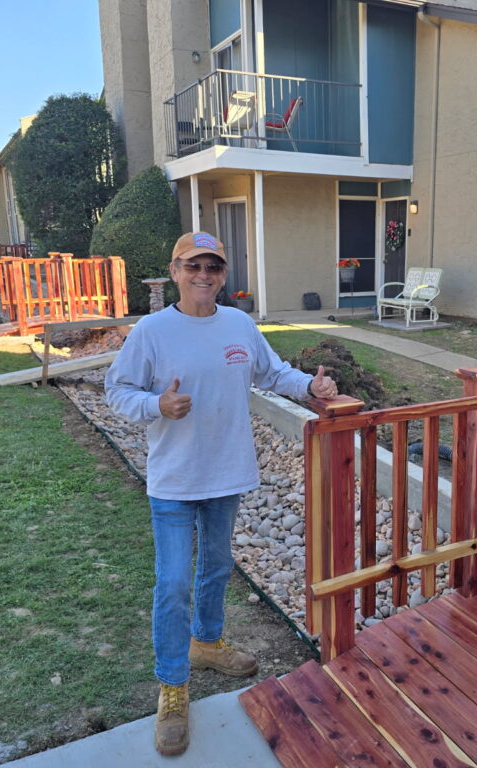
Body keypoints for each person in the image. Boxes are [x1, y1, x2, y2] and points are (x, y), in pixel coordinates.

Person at [104, 231, 340, 756]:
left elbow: (271, 372)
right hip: (175, 479)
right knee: (172, 581)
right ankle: (172, 684)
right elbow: (117, 390)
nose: (203, 276)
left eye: (213, 267)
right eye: (193, 267)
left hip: (227, 474)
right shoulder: (153, 331)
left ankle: (206, 643)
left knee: (215, 566)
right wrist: (155, 408)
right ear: (175, 271)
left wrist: (311, 387)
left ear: (224, 275)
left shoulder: (239, 324)